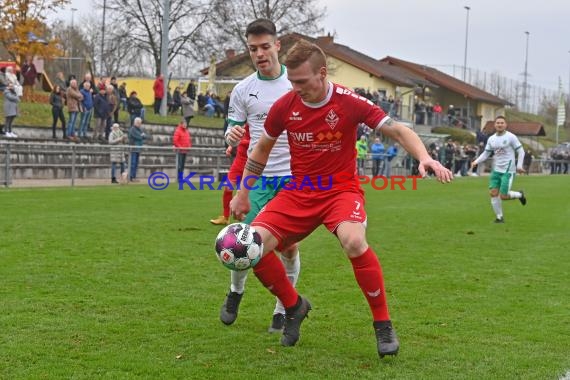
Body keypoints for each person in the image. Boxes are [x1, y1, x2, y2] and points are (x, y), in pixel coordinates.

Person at [229, 39, 453, 357]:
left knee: (354, 242)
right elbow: (261, 149)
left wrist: (424, 157)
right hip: (300, 191)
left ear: (322, 74)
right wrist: (242, 193)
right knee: (250, 247)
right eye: (292, 81)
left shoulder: (349, 102)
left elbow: (398, 130)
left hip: (340, 191)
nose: (295, 88)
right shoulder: (285, 105)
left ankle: (383, 324)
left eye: (302, 82)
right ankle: (294, 306)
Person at [220, 18, 302, 333]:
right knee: (241, 240)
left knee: (289, 248)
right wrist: (232, 134)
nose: (259, 54)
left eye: (265, 47)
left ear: (277, 45)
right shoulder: (243, 90)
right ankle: (235, 292)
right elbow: (231, 131)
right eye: (253, 49)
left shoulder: (295, 86)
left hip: (293, 181)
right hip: (257, 180)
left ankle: (282, 309)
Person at [470, 115, 526, 223]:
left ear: (505, 125)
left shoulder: (511, 137)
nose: (500, 124)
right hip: (496, 170)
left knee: (503, 196)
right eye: (498, 123)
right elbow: (486, 153)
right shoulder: (491, 139)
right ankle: (499, 217)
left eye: (502, 123)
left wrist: (519, 166)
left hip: (508, 170)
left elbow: (521, 151)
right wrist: (476, 161)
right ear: (495, 125)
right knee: (493, 193)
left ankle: (519, 195)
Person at [210, 125, 250, 226]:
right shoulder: (242, 123)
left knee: (247, 191)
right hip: (239, 161)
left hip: (251, 163)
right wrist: (231, 146)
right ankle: (225, 217)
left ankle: (247, 217)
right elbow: (237, 137)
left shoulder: (257, 123)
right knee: (228, 187)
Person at [128, 117, 147, 182]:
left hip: (138, 149)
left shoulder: (139, 129)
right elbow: (138, 137)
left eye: (140, 123)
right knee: (132, 163)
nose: (140, 124)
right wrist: (142, 136)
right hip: (133, 148)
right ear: (135, 122)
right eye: (139, 123)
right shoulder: (132, 129)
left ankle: (134, 176)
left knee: (136, 163)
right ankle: (130, 177)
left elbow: (145, 136)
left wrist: (142, 136)